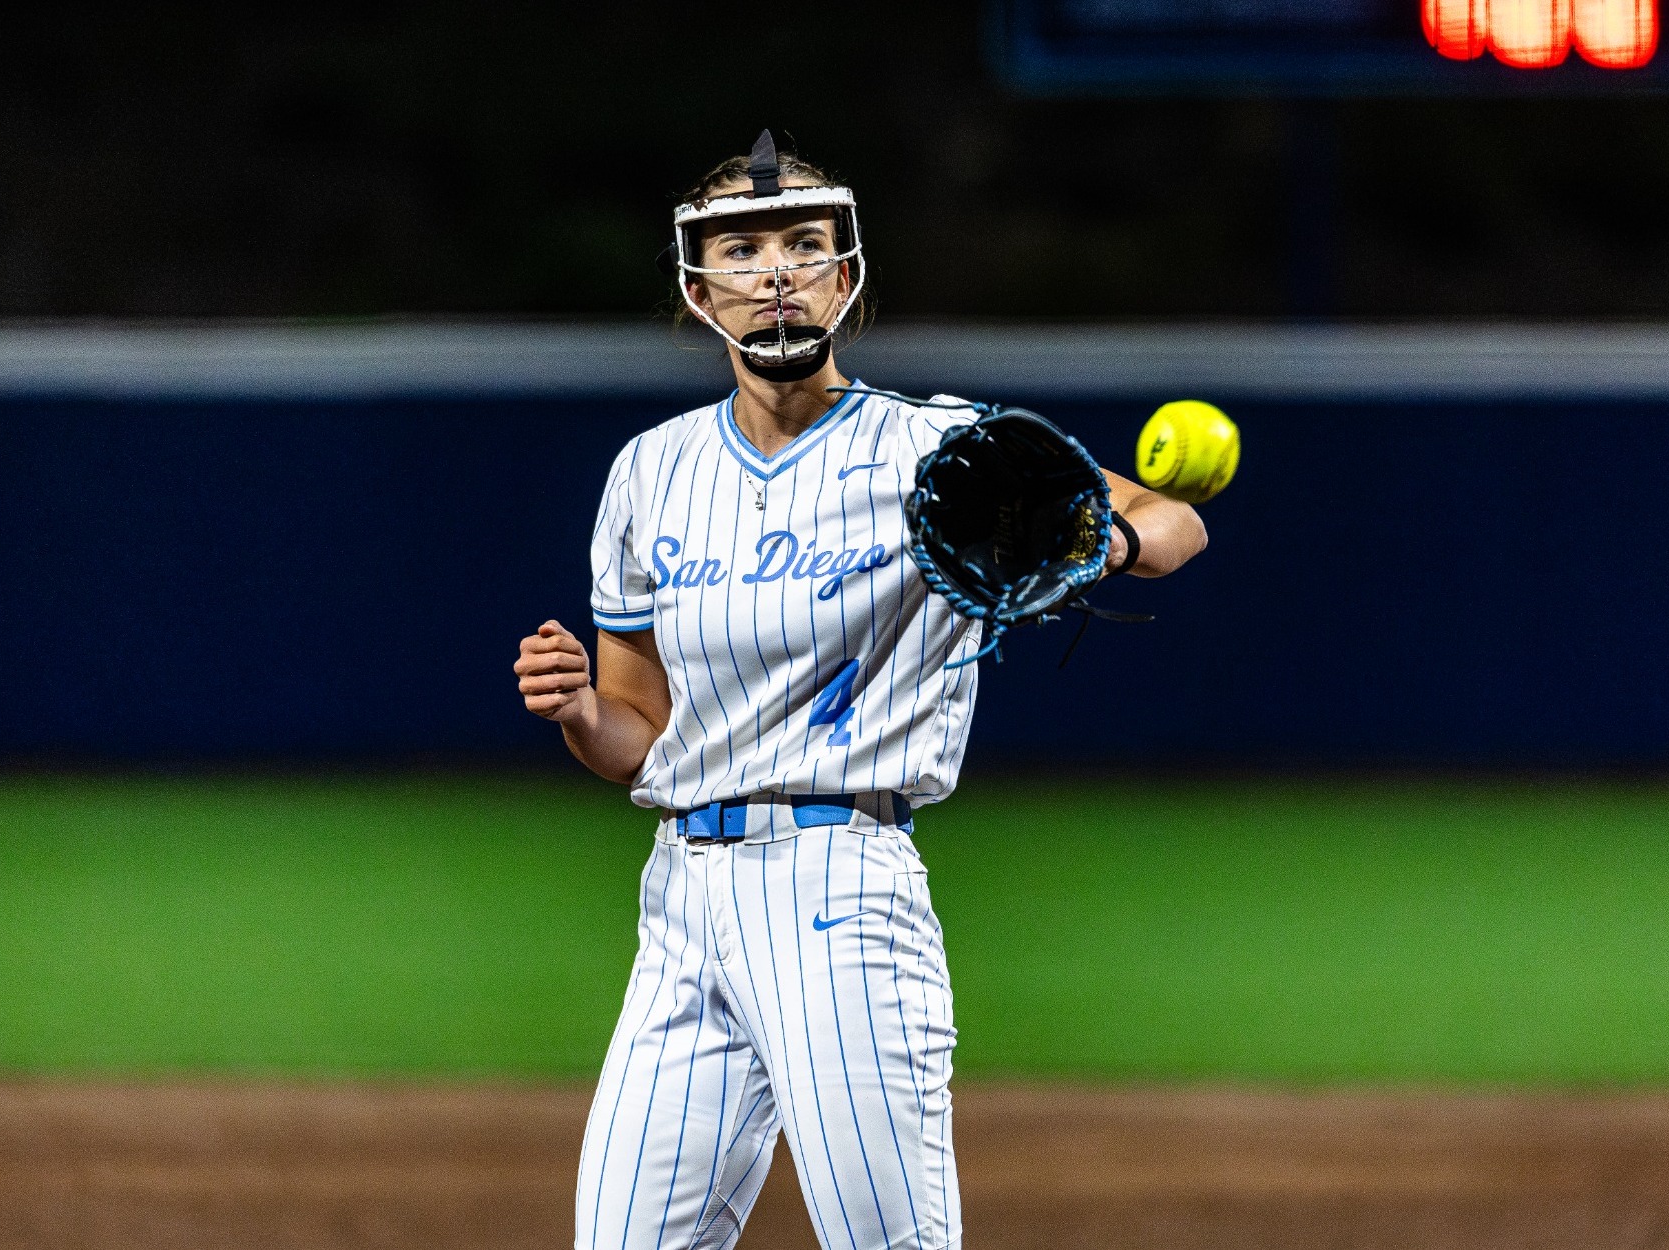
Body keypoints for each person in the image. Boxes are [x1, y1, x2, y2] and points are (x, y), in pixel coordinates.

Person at [513, 131, 1208, 1250]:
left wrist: (1099, 538)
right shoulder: (650, 469)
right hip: (681, 900)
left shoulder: (931, 445)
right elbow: (637, 736)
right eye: (741, 248)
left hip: (839, 883)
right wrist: (580, 709)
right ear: (699, 286)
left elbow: (1178, 521)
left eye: (802, 243)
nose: (775, 269)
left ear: (846, 275)